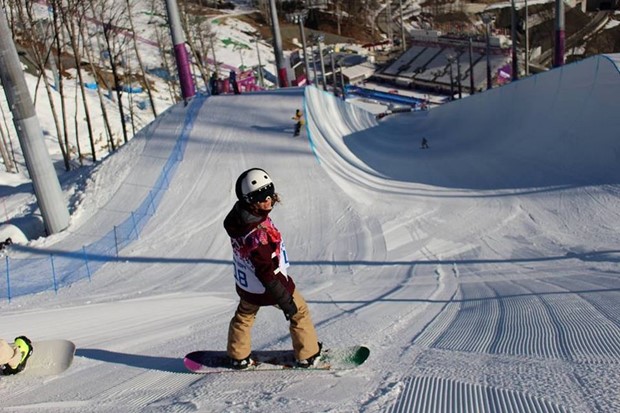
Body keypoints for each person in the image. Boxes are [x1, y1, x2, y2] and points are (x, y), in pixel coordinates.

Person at [223, 168, 322, 369]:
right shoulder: (257, 235)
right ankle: (307, 354)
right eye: (261, 198)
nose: (268, 201)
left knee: (244, 315)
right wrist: (285, 301)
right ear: (250, 200)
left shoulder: (241, 219)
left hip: (248, 286)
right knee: (299, 311)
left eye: (269, 195)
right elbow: (266, 273)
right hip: (271, 285)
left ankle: (238, 355)